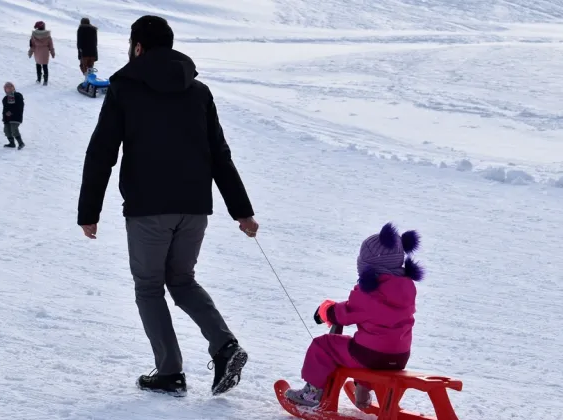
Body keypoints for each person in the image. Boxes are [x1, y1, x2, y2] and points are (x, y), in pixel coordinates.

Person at [76, 15, 259, 397]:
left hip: (147, 208)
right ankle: (225, 346)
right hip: (194, 207)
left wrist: (88, 212)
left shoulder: (125, 88)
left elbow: (101, 153)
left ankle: (169, 371)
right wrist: (241, 210)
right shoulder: (198, 90)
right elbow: (219, 155)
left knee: (149, 287)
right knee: (181, 281)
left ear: (138, 47)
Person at [284, 223, 424, 408]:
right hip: (399, 357)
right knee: (363, 343)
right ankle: (363, 394)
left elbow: (345, 314)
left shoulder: (371, 292)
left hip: (370, 356)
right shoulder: (406, 290)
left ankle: (311, 394)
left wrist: (327, 310)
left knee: (324, 345)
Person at [28, 21, 55, 85]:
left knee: (38, 65)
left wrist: (30, 52)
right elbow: (51, 45)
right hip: (45, 52)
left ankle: (38, 79)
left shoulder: (34, 35)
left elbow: (32, 45)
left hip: (37, 51)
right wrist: (52, 52)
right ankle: (45, 81)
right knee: (45, 66)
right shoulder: (48, 35)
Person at [1, 82, 25, 149]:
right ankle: (12, 143)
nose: (8, 89)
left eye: (9, 87)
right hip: (7, 118)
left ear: (13, 88)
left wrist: (12, 112)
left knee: (14, 129)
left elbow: (20, 106)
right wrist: (4, 117)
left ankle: (21, 143)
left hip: (16, 117)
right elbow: (4, 109)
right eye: (6, 88)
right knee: (6, 130)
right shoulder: (5, 99)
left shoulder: (17, 95)